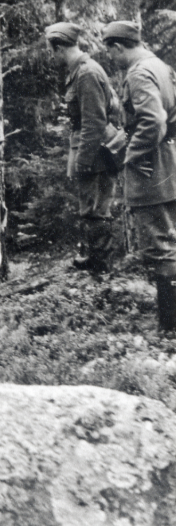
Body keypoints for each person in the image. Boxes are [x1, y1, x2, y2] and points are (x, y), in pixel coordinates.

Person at [103, 21, 176, 338]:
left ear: (118, 47)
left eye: (110, 52)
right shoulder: (160, 66)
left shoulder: (139, 73)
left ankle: (170, 328)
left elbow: (154, 121)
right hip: (166, 160)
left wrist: (130, 155)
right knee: (169, 240)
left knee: (160, 246)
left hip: (151, 167)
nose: (111, 58)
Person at [45, 22, 120, 273]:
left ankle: (102, 267)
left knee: (97, 209)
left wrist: (83, 160)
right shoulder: (79, 71)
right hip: (91, 148)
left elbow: (94, 122)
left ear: (59, 48)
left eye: (52, 51)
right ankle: (96, 259)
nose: (51, 56)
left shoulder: (86, 73)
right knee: (90, 208)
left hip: (97, 151)